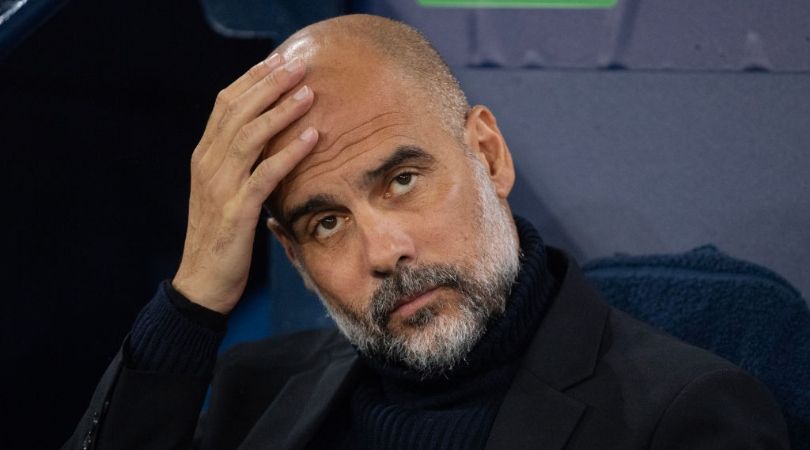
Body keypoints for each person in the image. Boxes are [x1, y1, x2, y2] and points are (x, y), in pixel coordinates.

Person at [65, 14, 789, 450]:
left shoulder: (681, 416)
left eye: (403, 180)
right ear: (294, 256)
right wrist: (192, 301)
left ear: (490, 157)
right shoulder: (250, 395)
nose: (385, 252)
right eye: (326, 223)